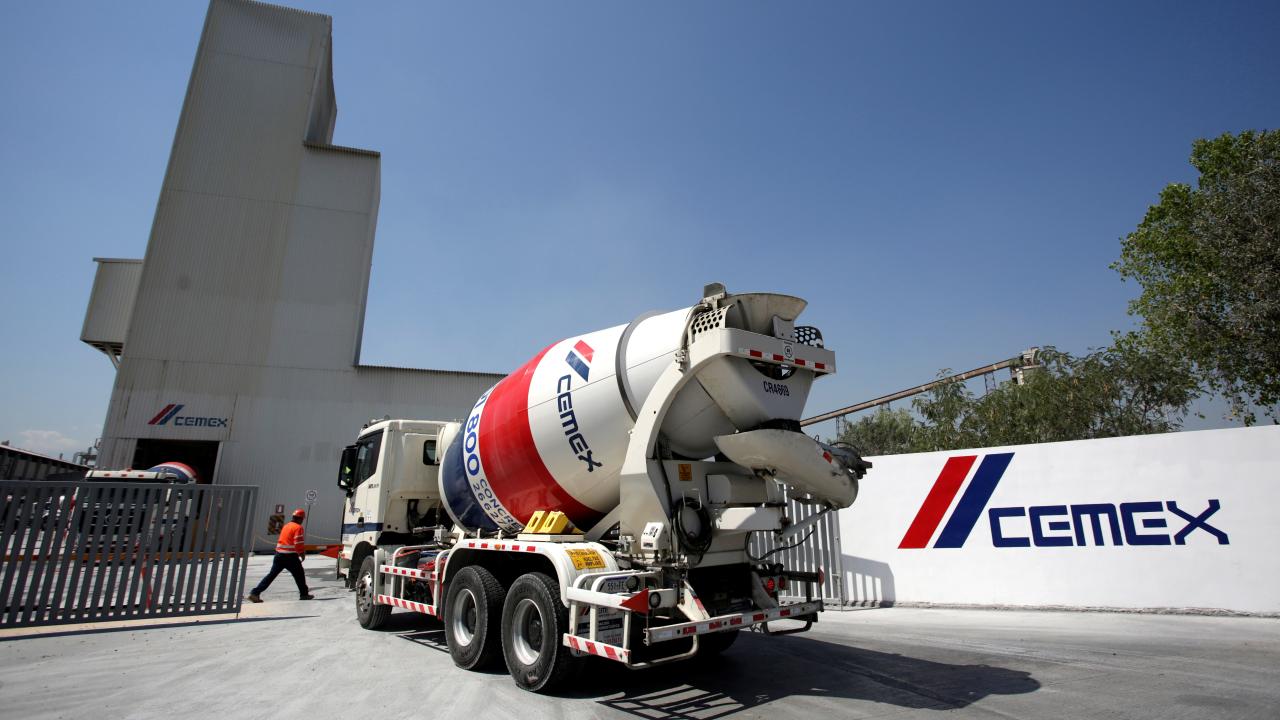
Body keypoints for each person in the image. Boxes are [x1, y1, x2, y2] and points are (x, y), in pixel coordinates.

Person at [248, 508, 314, 602]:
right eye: (302, 519)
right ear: (300, 518)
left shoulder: (286, 526)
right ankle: (304, 594)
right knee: (299, 575)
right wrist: (302, 554)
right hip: (290, 557)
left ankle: (255, 593)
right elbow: (298, 542)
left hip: (279, 555)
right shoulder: (298, 527)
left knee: (271, 575)